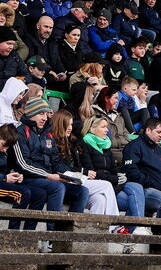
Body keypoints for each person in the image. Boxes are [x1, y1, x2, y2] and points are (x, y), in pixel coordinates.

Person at [10, 96, 90, 233]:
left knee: (82, 191)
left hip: (47, 178)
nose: (45, 118)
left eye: (47, 114)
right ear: (30, 113)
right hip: (28, 178)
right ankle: (51, 236)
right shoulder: (19, 131)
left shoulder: (47, 134)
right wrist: (48, 175)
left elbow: (56, 162)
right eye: (41, 113)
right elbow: (22, 164)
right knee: (57, 187)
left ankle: (66, 236)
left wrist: (69, 174)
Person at [77, 114, 147, 229]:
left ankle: (130, 230)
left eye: (107, 127)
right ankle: (115, 226)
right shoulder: (84, 145)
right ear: (92, 129)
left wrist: (119, 177)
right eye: (103, 127)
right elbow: (92, 173)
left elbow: (114, 169)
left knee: (131, 198)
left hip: (110, 186)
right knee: (107, 195)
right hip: (95, 185)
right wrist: (115, 179)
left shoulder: (106, 145)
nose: (107, 130)